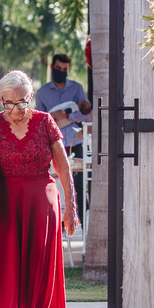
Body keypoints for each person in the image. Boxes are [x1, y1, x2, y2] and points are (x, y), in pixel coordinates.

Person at [0, 70, 79, 308]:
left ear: (31, 97)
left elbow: (63, 167)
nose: (17, 109)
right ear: (0, 100)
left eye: (23, 102)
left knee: (38, 266)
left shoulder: (45, 122)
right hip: (6, 205)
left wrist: (70, 209)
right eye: (10, 103)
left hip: (41, 203)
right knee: (10, 269)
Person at [34, 53, 91, 216]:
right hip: (53, 146)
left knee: (78, 183)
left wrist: (67, 115)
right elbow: (41, 120)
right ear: (52, 67)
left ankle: (83, 224)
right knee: (55, 183)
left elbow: (86, 115)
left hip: (75, 143)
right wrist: (55, 118)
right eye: (58, 68)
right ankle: (58, 223)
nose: (62, 71)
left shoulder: (77, 88)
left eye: (65, 69)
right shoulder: (42, 92)